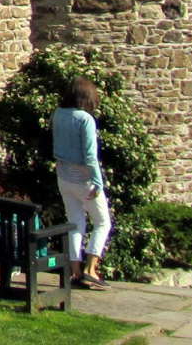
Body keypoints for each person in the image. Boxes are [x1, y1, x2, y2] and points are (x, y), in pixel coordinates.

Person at [52, 76, 112, 289]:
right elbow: (90, 155)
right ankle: (90, 270)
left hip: (63, 177)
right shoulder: (85, 119)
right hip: (84, 179)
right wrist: (98, 183)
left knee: (75, 223)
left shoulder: (58, 114)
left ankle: (75, 272)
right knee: (103, 222)